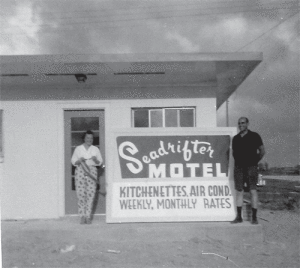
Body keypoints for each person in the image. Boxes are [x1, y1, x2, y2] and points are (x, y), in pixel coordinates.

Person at [231, 117, 265, 224]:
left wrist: (254, 161)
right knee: (239, 191)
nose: (241, 125)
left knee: (252, 191)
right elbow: (234, 153)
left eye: (243, 123)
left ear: (247, 124)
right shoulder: (235, 138)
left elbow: (262, 151)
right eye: (239, 123)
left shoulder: (255, 136)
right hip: (239, 167)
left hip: (251, 167)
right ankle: (239, 217)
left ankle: (254, 217)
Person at [71, 130, 103, 224]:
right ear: (84, 138)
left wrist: (95, 159)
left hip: (92, 171)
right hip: (81, 170)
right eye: (88, 138)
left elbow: (100, 162)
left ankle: (88, 216)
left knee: (90, 193)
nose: (89, 140)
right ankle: (82, 216)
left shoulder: (95, 149)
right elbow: (73, 162)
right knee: (81, 194)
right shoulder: (78, 149)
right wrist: (79, 160)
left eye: (91, 138)